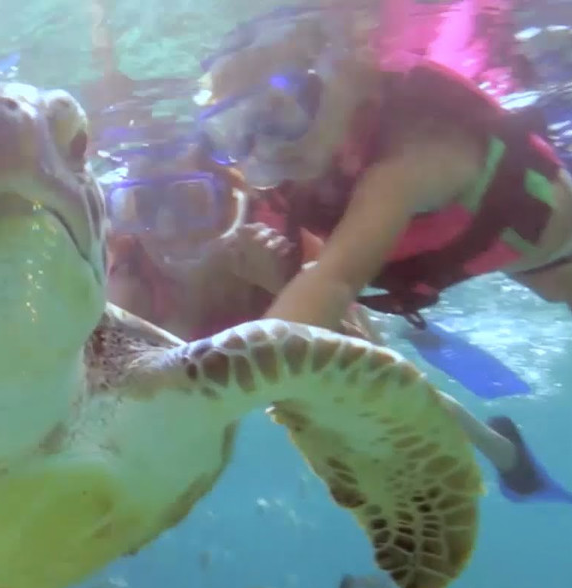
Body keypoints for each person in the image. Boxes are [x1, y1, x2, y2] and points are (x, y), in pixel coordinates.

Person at [196, 4, 572, 504]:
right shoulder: (308, 155)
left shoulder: (415, 156)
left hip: (557, 250)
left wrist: (220, 397)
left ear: (350, 69)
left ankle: (510, 459)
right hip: (469, 254)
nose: (262, 144)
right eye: (235, 128)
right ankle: (510, 460)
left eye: (280, 109)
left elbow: (334, 280)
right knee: (357, 357)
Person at [101, 138, 379, 341]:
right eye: (143, 207)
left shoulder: (290, 254)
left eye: (191, 200)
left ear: (232, 203)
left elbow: (378, 373)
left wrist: (285, 285)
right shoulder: (130, 281)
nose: (166, 227)